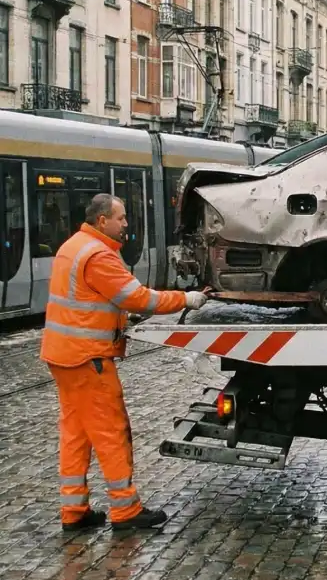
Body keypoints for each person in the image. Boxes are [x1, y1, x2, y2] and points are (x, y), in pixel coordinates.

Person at [40, 194, 210, 532]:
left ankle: (73, 510)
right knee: (111, 432)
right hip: (88, 358)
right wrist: (185, 299)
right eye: (122, 217)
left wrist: (117, 317)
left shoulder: (73, 246)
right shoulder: (98, 254)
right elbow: (138, 296)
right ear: (103, 220)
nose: (127, 223)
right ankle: (125, 510)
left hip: (63, 355)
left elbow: (89, 299)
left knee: (76, 434)